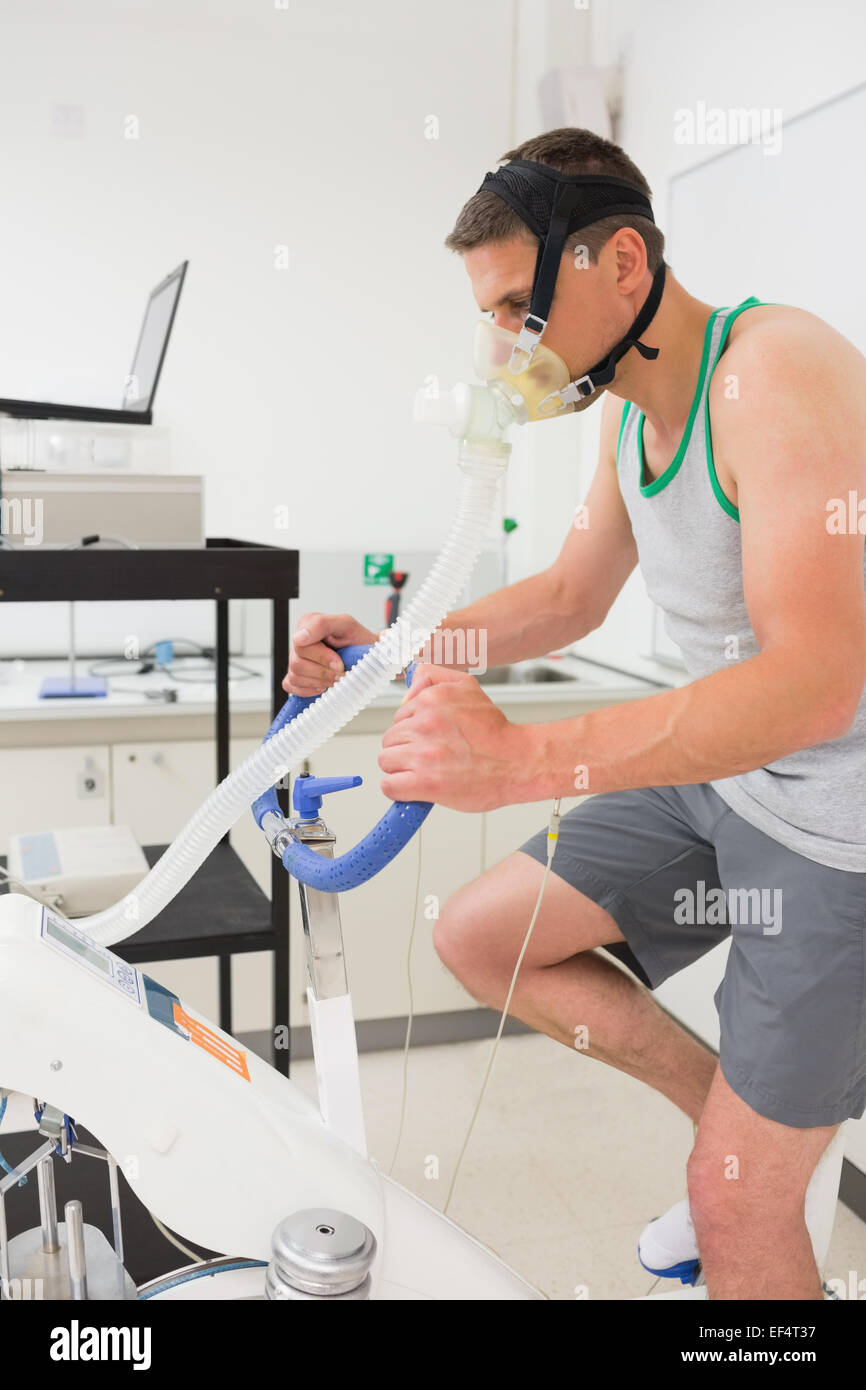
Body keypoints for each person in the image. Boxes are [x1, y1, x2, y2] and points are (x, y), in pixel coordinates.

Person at [283, 127, 866, 1300]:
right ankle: (734, 1123)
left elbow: (815, 685)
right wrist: (397, 649)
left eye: (516, 309)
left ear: (624, 270)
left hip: (834, 825)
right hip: (726, 779)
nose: (501, 348)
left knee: (729, 1200)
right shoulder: (630, 412)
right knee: (480, 936)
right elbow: (565, 597)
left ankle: (741, 1178)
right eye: (491, 316)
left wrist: (520, 762)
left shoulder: (777, 370)